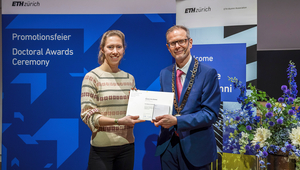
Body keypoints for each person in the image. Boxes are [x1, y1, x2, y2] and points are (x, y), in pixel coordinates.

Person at [152, 25, 221, 170]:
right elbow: (164, 105)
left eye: (181, 41)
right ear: (168, 47)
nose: (177, 46)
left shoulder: (208, 73)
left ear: (190, 42)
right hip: (168, 146)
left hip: (196, 148)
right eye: (172, 43)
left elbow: (210, 114)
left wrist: (177, 121)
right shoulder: (164, 73)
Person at [80, 30, 145, 170]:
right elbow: (88, 115)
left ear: (124, 49)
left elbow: (133, 112)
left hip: (127, 146)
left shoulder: (129, 78)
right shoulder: (92, 77)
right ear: (102, 49)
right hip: (102, 149)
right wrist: (118, 121)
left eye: (119, 47)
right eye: (110, 47)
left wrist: (142, 107)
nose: (115, 51)